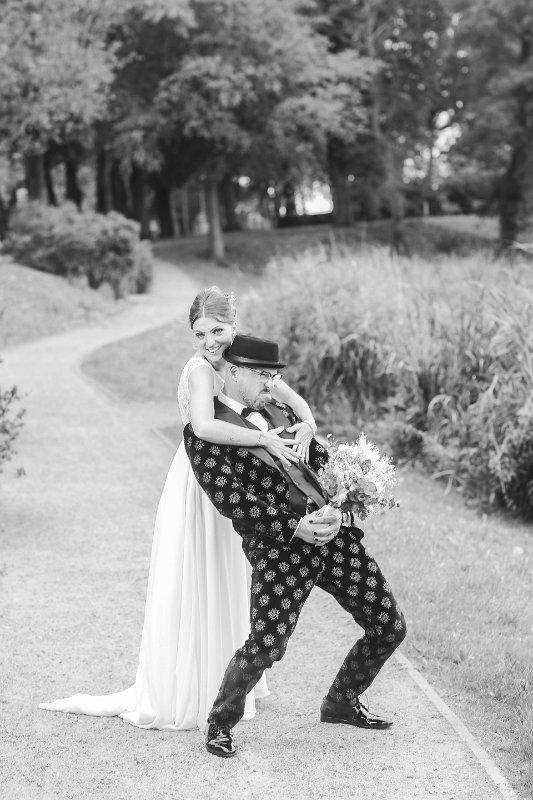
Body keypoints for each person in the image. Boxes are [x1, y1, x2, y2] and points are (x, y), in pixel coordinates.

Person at [39, 287, 318, 731]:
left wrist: (308, 425)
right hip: (200, 484)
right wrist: (263, 438)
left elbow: (294, 400)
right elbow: (204, 426)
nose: (209, 342)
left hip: (233, 482)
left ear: (233, 327)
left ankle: (225, 680)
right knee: (195, 576)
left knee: (223, 575)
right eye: (200, 333)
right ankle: (190, 686)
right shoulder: (200, 372)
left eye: (217, 331)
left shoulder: (241, 363)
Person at [183, 333, 407, 757]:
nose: (272, 384)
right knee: (267, 645)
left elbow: (322, 466)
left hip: (333, 539)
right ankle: (219, 724)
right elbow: (232, 502)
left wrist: (339, 509)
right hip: (279, 550)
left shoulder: (282, 412)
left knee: (389, 625)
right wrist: (293, 527)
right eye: (263, 376)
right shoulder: (206, 433)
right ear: (234, 372)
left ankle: (341, 702)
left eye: (275, 376)